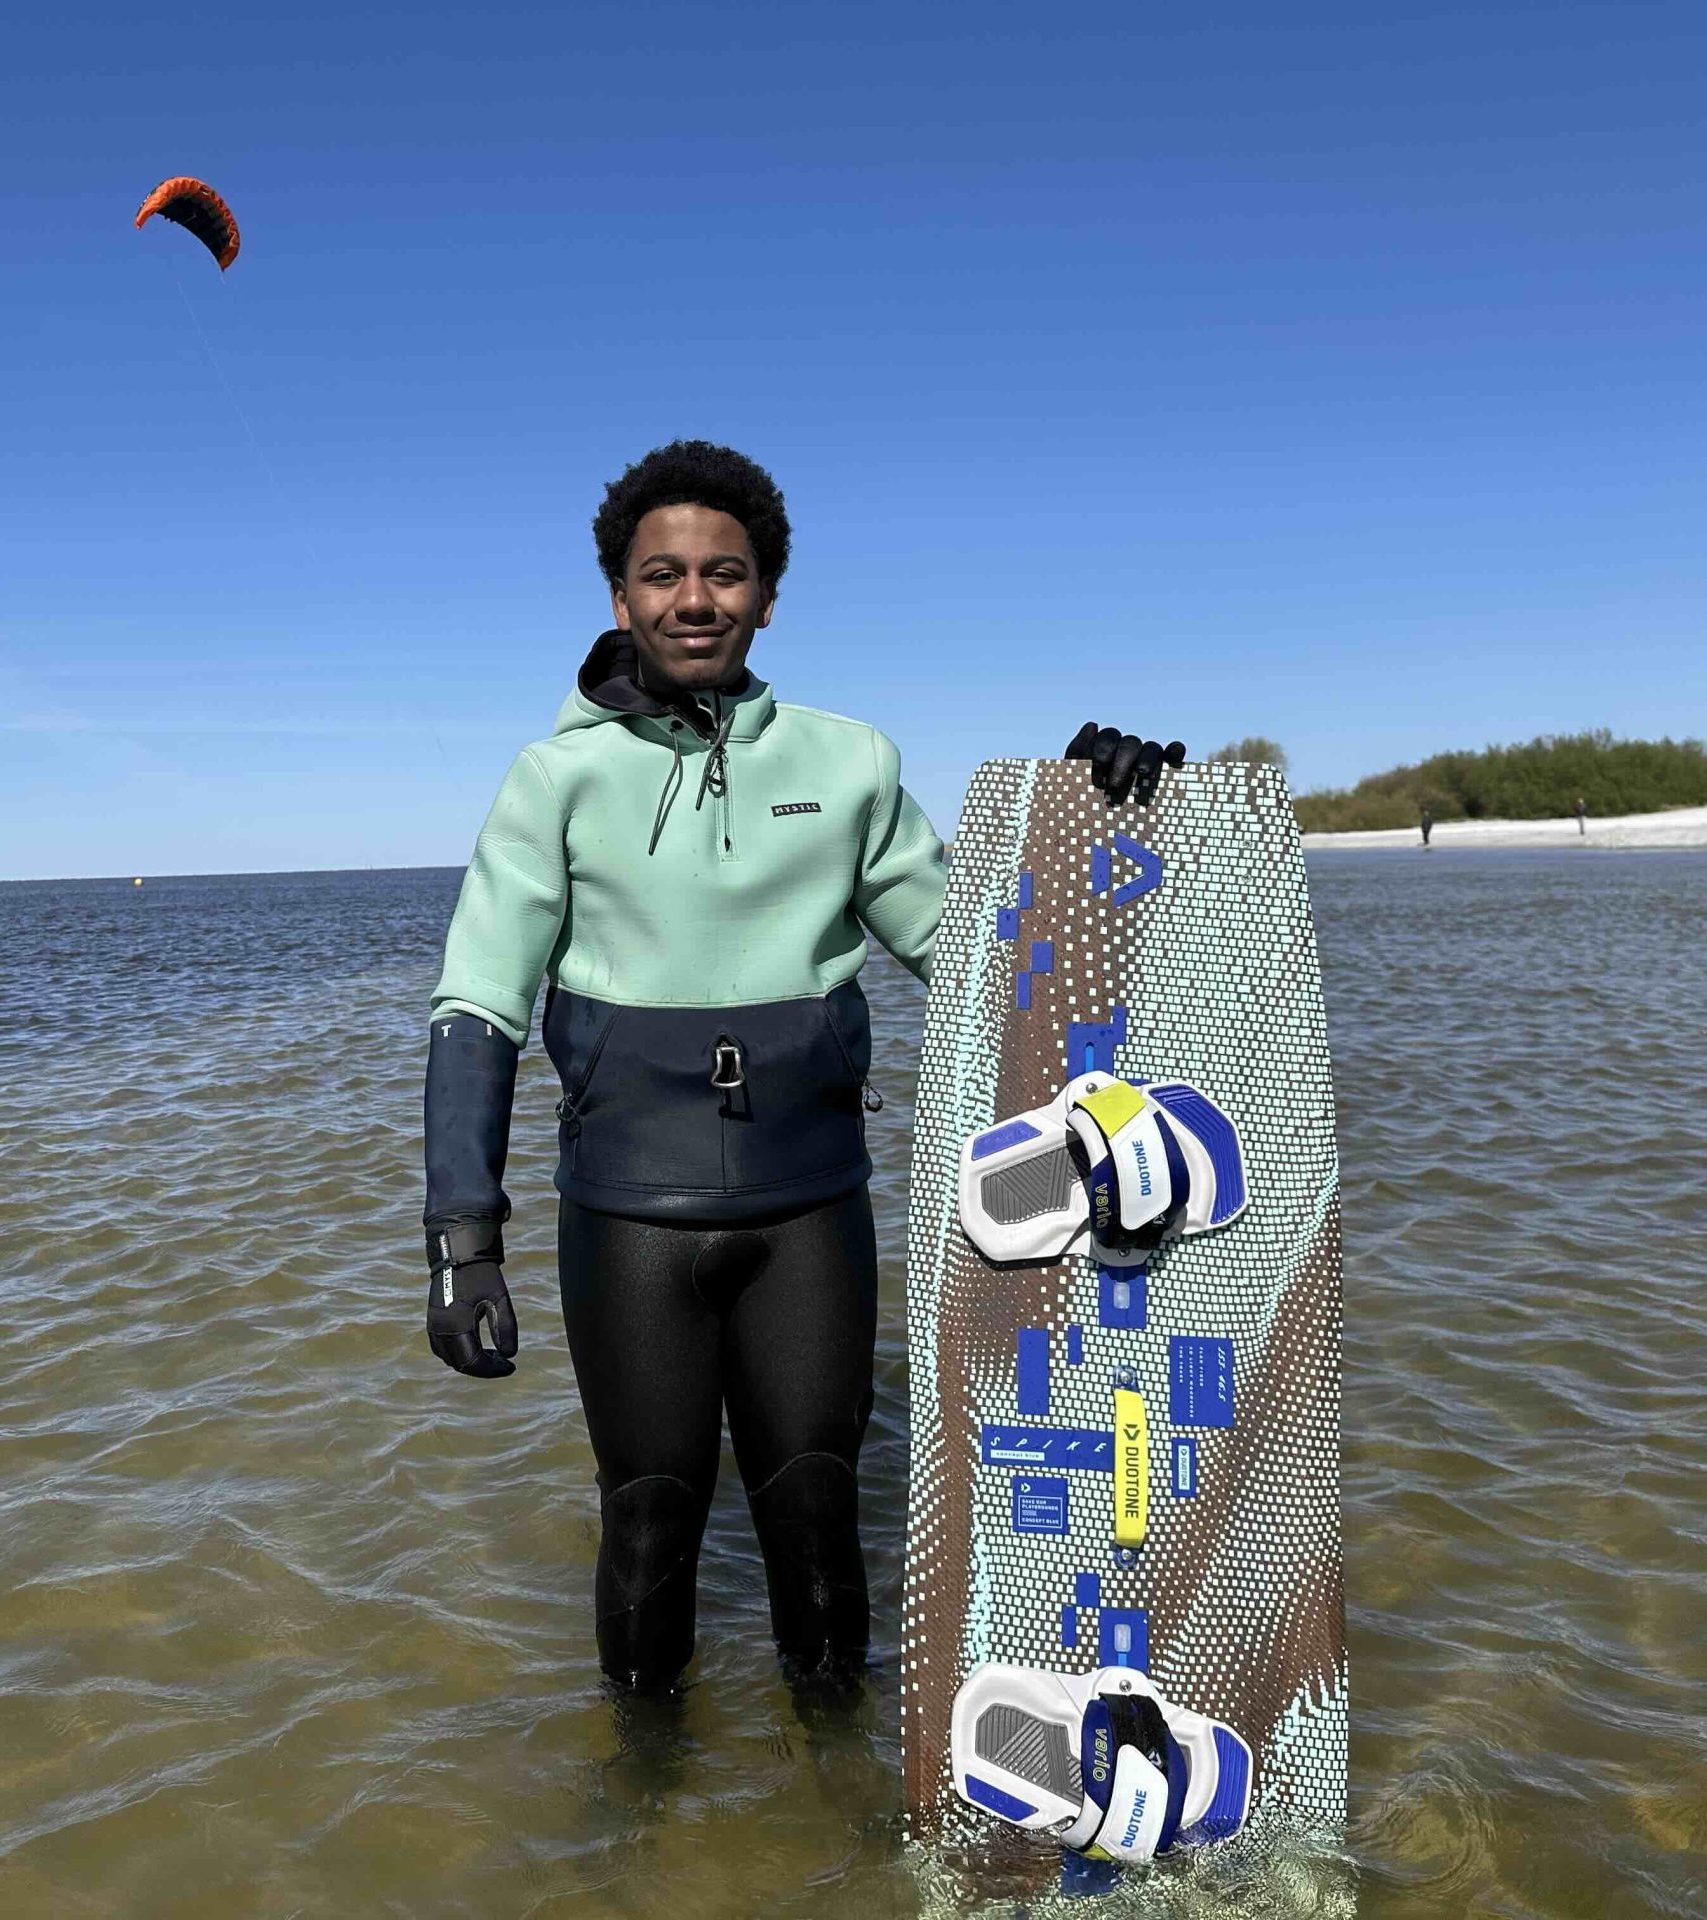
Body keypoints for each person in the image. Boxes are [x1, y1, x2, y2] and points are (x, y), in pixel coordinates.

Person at [421, 440, 1183, 1694]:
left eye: (725, 574)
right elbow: (479, 1005)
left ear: (767, 595)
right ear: (620, 596)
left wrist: (1091, 821)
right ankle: (641, 1789)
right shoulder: (555, 781)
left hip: (811, 1212)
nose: (694, 599)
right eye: (663, 574)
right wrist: (463, 1240)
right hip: (630, 1218)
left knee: (821, 1519)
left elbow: (984, 956)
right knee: (649, 1523)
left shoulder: (848, 764)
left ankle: (831, 1769)